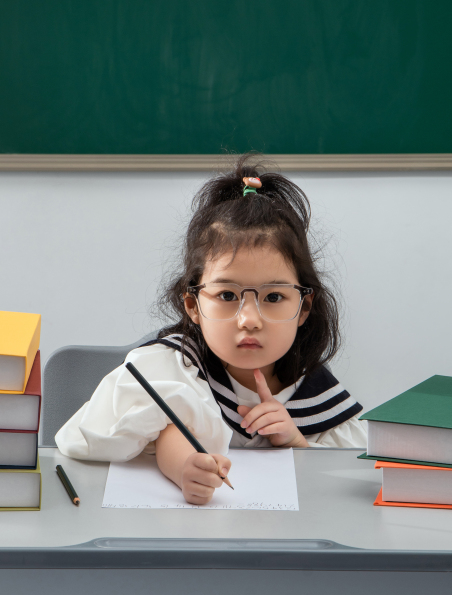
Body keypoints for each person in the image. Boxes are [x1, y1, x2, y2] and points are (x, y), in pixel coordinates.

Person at [56, 154, 367, 504]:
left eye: (275, 296)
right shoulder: (177, 370)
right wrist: (186, 467)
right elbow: (168, 427)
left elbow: (338, 483)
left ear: (303, 307)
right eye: (228, 295)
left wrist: (295, 440)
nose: (250, 319)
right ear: (194, 306)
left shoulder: (315, 389)